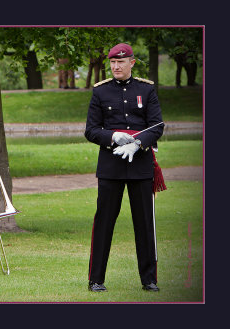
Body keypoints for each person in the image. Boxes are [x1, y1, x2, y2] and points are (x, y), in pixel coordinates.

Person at [84, 43, 166, 292]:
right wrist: (112, 137)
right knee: (104, 222)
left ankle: (149, 279)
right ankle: (96, 279)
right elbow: (90, 130)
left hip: (140, 164)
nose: (116, 66)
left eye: (121, 62)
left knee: (144, 223)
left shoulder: (146, 89)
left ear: (132, 63)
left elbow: (157, 126)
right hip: (111, 166)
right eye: (112, 62)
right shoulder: (100, 92)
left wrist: (138, 143)